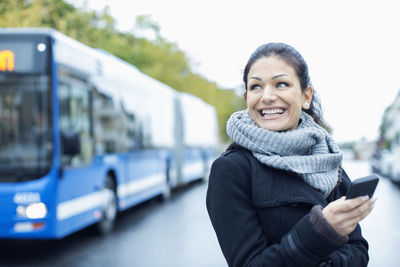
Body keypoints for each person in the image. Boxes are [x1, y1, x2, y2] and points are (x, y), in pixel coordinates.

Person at [206, 43, 375, 267]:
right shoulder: (232, 170)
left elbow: (359, 250)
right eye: (256, 87)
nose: (266, 96)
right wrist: (322, 231)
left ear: (306, 96)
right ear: (247, 98)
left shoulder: (328, 160)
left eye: (281, 84)